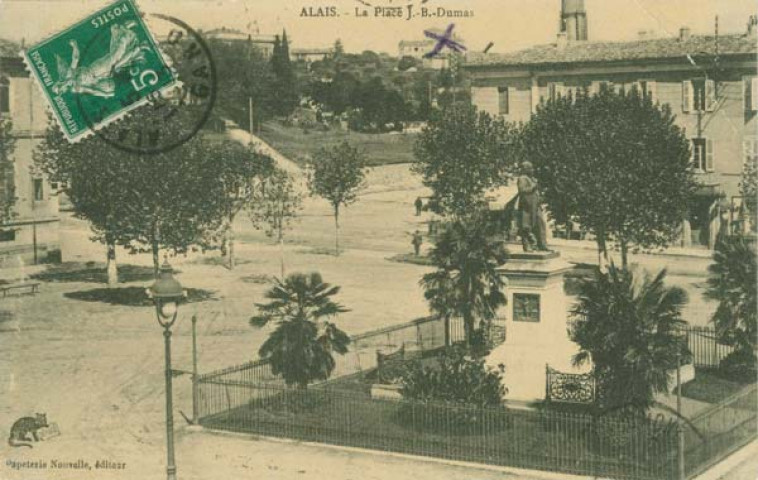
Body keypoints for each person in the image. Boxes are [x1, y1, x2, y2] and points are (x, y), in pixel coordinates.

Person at [516, 161, 548, 252]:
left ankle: (542, 245)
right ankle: (527, 246)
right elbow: (522, 190)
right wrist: (533, 187)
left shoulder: (533, 179)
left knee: (540, 224)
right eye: (530, 168)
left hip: (536, 206)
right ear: (525, 169)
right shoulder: (522, 178)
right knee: (526, 226)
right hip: (526, 207)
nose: (532, 170)